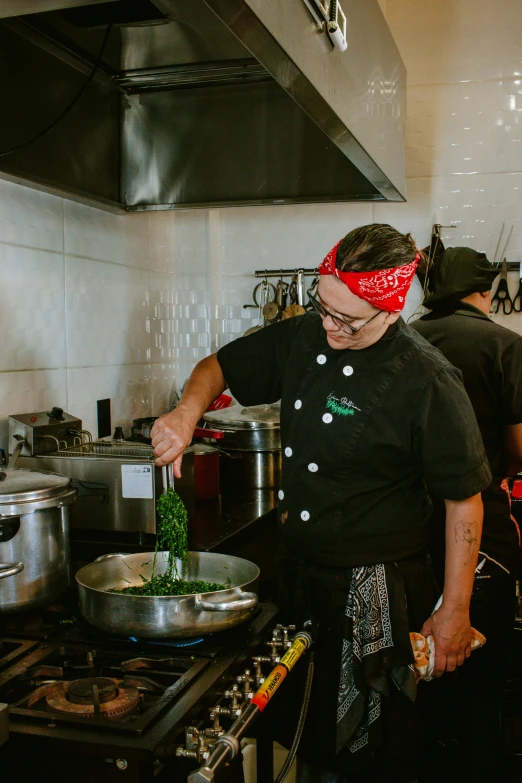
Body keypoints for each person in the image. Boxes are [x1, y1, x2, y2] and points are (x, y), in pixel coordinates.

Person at [151, 224, 491, 783]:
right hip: (301, 584)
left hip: (376, 597)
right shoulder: (305, 336)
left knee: (371, 756)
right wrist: (187, 413)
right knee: (307, 744)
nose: (330, 328)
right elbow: (219, 368)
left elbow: (464, 501)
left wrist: (455, 609)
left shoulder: (428, 378)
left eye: (348, 321)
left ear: (389, 309)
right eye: (323, 308)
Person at [411, 247, 522, 782]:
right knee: (481, 693)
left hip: (405, 541)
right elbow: (519, 449)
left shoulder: (401, 340)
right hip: (480, 542)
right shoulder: (504, 345)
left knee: (415, 687)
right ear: (483, 291)